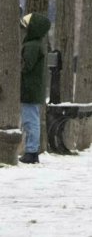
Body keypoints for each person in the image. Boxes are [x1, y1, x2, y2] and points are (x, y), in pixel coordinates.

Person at [20, 12, 51, 164]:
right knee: (32, 119)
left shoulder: (32, 45)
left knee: (29, 120)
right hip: (33, 88)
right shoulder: (37, 44)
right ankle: (32, 150)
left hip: (29, 88)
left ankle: (31, 151)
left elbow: (26, 66)